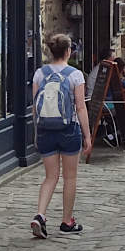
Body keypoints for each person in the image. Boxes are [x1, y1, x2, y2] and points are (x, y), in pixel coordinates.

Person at [31, 33, 91, 238]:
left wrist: (36, 133)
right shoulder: (75, 75)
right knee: (70, 177)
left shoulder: (40, 74)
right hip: (68, 129)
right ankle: (67, 221)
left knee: (50, 177)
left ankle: (40, 214)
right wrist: (88, 136)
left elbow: (35, 108)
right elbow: (81, 108)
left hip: (46, 129)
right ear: (68, 52)